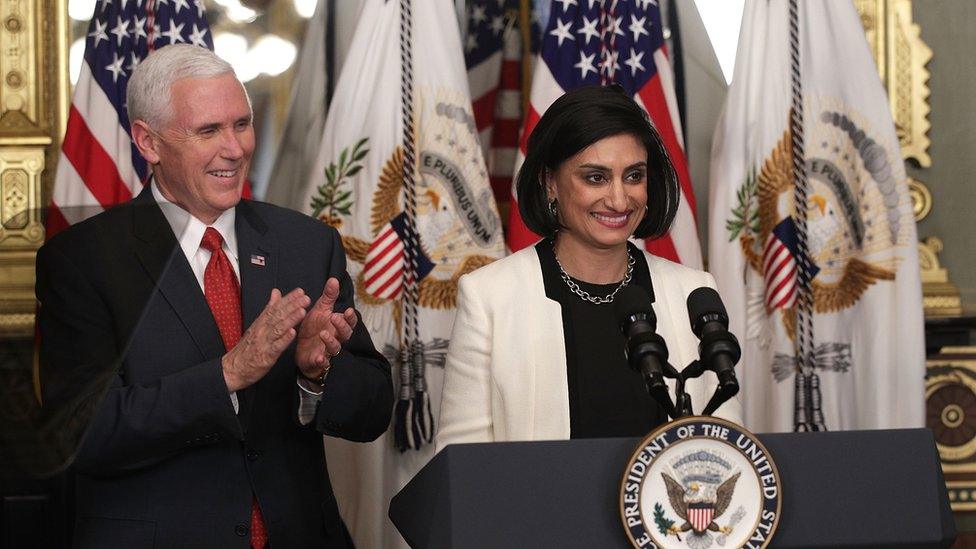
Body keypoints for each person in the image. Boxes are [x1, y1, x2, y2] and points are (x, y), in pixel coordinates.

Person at [35, 45, 393, 548]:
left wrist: (317, 373)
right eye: (208, 131)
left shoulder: (307, 244)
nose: (236, 148)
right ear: (148, 141)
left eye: (241, 124)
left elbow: (374, 412)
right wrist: (228, 374)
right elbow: (79, 433)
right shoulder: (85, 260)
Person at [435, 86, 742, 449]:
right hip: (540, 506)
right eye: (595, 177)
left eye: (633, 176)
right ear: (549, 182)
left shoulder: (693, 293)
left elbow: (729, 450)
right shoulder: (490, 298)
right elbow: (464, 467)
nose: (618, 199)